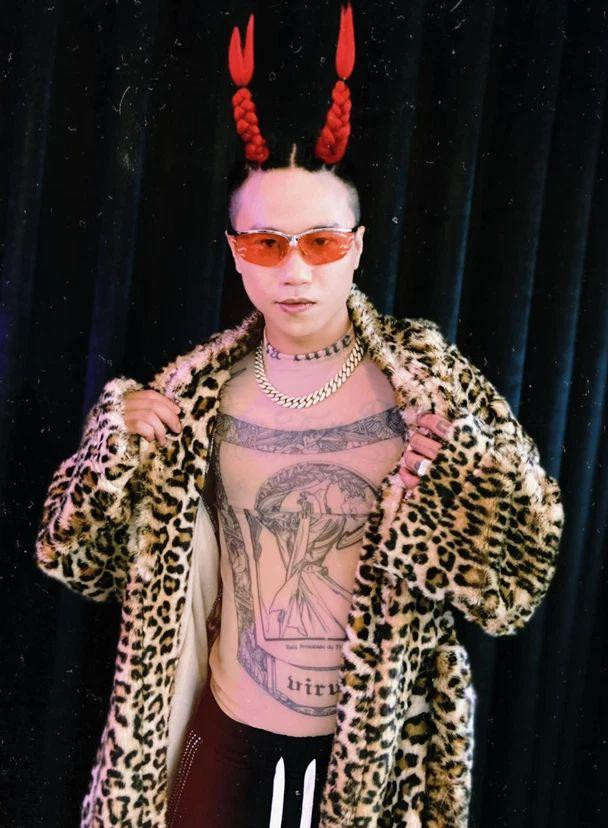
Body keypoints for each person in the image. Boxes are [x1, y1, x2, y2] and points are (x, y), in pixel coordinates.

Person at [34, 5, 564, 827]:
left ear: (358, 246)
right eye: (265, 244)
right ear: (233, 250)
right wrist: (113, 449)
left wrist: (463, 474)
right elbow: (74, 563)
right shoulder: (189, 395)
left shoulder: (430, 384)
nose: (294, 272)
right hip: (217, 745)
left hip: (370, 767)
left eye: (320, 243)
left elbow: (518, 583)